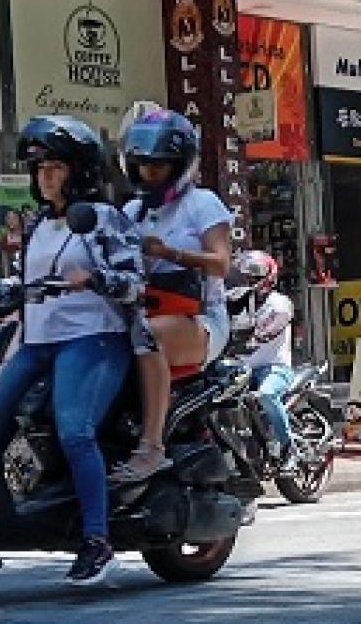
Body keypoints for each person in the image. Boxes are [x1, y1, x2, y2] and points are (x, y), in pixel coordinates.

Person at [0, 115, 145, 586]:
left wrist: (96, 278)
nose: (46, 177)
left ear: (79, 170)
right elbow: (26, 284)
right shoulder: (37, 224)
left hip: (93, 337)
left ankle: (97, 540)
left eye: (55, 167)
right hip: (38, 341)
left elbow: (135, 283)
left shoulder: (103, 219)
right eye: (40, 170)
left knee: (74, 430)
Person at [111, 109, 233, 481]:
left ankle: (151, 447)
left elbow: (221, 263)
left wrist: (169, 253)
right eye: (144, 166)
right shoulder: (131, 210)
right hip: (141, 311)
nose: (150, 175)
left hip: (200, 319)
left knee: (150, 336)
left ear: (179, 166)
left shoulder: (202, 204)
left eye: (160, 167)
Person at [237, 250, 298, 471]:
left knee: (267, 394)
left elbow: (280, 321)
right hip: (244, 369)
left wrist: (261, 334)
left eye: (255, 275)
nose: (250, 280)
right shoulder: (241, 301)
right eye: (247, 275)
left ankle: (287, 447)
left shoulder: (279, 302)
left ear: (268, 276)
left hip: (276, 368)